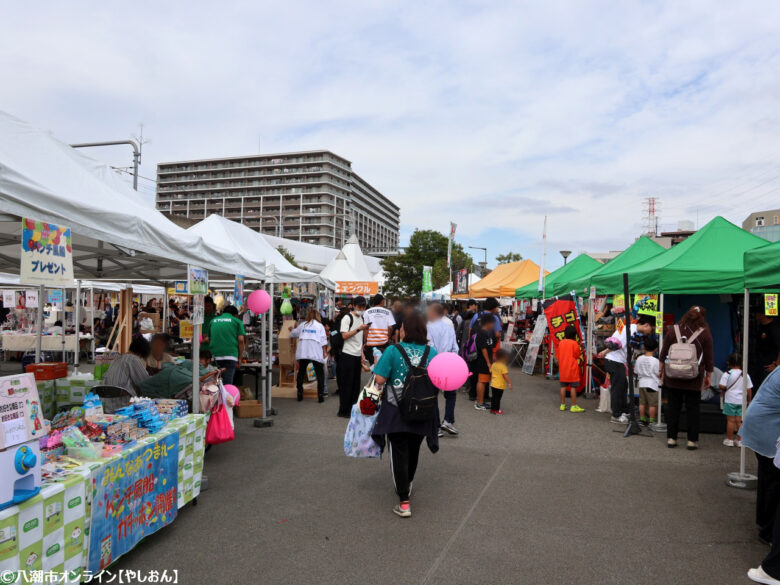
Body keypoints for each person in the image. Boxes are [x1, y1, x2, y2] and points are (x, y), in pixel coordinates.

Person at [371, 312, 439, 518]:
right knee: (414, 450)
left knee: (398, 453)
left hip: (396, 410)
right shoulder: (432, 352)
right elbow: (439, 381)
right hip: (424, 410)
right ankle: (407, 484)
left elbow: (380, 380)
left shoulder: (393, 350)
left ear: (405, 330)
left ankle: (404, 502)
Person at [741, 369, 780, 577]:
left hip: (763, 427)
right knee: (772, 484)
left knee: (768, 482)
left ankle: (765, 526)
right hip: (767, 431)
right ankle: (767, 530)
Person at [659, 306, 714, 450]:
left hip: (673, 376)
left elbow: (664, 351)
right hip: (694, 377)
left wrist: (661, 370)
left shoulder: (674, 329)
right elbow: (709, 357)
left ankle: (672, 438)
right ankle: (692, 440)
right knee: (693, 410)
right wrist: (709, 375)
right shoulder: (705, 333)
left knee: (673, 408)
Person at [426, 302, 459, 435]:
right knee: (451, 394)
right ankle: (448, 420)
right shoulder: (449, 328)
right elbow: (455, 348)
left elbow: (430, 347)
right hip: (448, 364)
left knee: (433, 395)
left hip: (433, 364)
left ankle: (436, 426)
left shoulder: (428, 327)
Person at [337, 296, 369, 417]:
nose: (362, 309)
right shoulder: (347, 317)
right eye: (360, 306)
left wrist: (362, 354)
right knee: (347, 384)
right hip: (347, 354)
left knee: (356, 384)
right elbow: (344, 336)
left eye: (364, 306)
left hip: (356, 355)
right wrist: (358, 329)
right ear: (354, 305)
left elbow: (360, 339)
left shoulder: (362, 318)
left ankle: (353, 409)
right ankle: (343, 410)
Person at [290, 308, 329, 403]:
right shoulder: (320, 326)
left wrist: (291, 329)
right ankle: (320, 395)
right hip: (315, 351)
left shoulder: (303, 325)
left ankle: (299, 393)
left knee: (301, 372)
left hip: (304, 352)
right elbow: (324, 341)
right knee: (320, 373)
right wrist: (324, 352)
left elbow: (293, 334)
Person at [203, 305, 245, 385]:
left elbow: (209, 339)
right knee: (227, 384)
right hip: (231, 356)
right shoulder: (236, 321)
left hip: (215, 356)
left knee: (214, 384)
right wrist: (240, 358)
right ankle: (226, 397)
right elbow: (241, 340)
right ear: (235, 315)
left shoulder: (213, 321)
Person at [720, 352, 753, 447]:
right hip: (741, 401)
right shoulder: (745, 375)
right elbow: (749, 389)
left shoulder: (727, 374)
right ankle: (740, 440)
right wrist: (749, 400)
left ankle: (729, 440)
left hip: (730, 400)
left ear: (728, 363)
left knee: (730, 421)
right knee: (739, 421)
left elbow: (721, 386)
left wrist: (725, 388)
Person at [363, 294, 395, 365]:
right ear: (382, 301)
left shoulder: (367, 312)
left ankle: (374, 375)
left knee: (373, 365)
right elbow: (390, 327)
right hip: (383, 343)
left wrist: (365, 341)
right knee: (383, 365)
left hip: (371, 344)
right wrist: (388, 337)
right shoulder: (388, 312)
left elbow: (366, 328)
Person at [558, 325, 584, 413]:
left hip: (563, 368)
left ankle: (562, 405)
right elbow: (577, 355)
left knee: (563, 387)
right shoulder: (574, 343)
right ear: (574, 334)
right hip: (572, 368)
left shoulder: (561, 343)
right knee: (573, 387)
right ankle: (573, 405)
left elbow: (558, 355)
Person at [635, 337, 660, 426]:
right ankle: (652, 420)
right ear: (656, 349)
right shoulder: (656, 361)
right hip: (652, 384)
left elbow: (636, 371)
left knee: (642, 403)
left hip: (642, 383)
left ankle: (642, 419)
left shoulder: (639, 358)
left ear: (644, 347)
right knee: (652, 404)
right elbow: (658, 373)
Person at [474, 314, 496, 411]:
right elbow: (483, 349)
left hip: (485, 361)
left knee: (483, 381)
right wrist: (488, 362)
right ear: (488, 323)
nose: (493, 325)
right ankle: (480, 403)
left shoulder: (484, 332)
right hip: (483, 361)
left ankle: (481, 401)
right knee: (482, 381)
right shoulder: (482, 333)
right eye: (493, 323)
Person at [755, 311, 780, 390]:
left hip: (769, 367)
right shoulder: (760, 327)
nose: (756, 315)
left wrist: (777, 364)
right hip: (759, 365)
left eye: (757, 312)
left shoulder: (775, 329)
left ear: (763, 314)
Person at [489, 348, 512, 414]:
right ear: (503, 358)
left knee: (493, 397)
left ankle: (492, 409)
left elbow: (491, 372)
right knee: (498, 398)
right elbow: (505, 376)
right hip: (500, 385)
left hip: (493, 384)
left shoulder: (494, 364)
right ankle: (496, 409)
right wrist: (509, 383)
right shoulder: (503, 366)